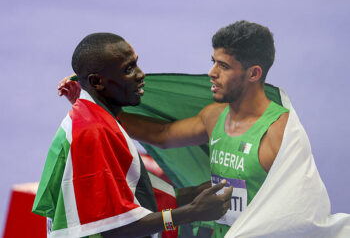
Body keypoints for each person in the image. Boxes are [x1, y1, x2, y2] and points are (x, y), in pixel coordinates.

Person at [58, 21, 288, 237]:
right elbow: (162, 135)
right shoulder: (215, 116)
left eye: (224, 66)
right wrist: (101, 106)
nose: (212, 72)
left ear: (254, 73)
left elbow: (294, 206)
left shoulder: (278, 131)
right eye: (214, 62)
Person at [33, 33, 233, 238]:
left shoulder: (100, 120)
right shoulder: (92, 131)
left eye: (136, 64)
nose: (141, 74)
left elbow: (134, 195)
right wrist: (191, 212)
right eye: (128, 69)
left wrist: (195, 193)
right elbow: (114, 227)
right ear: (96, 81)